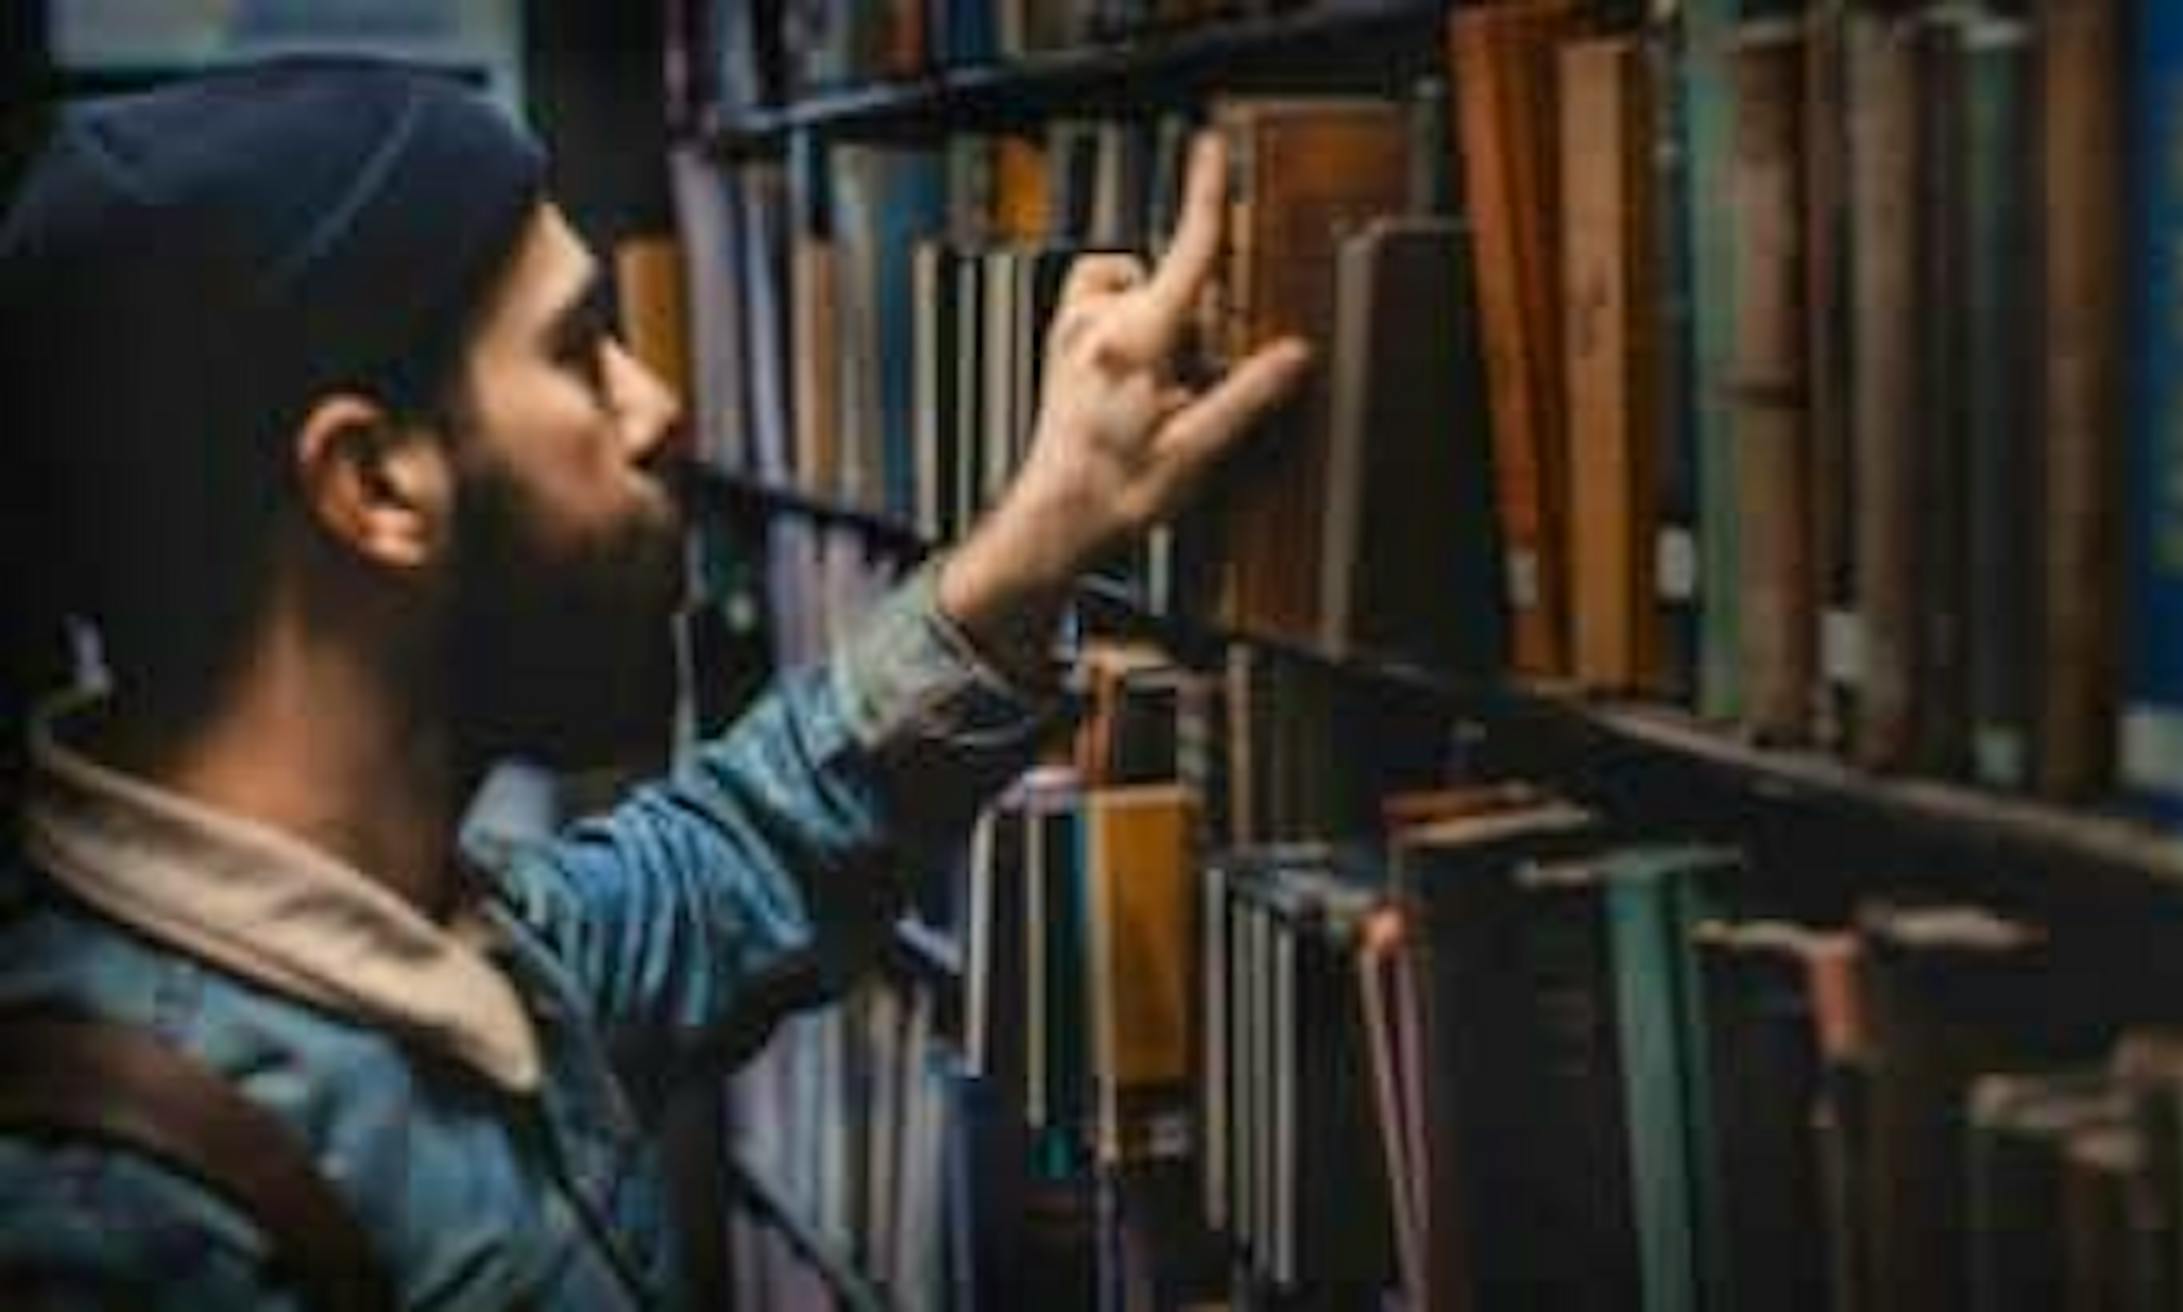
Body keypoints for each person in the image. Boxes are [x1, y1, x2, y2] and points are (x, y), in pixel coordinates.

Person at [0, 59, 1308, 1308]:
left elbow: (740, 853)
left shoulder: (438, 940)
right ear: (373, 484)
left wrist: (1040, 538)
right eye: (579, 352)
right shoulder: (116, 1212)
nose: (657, 408)